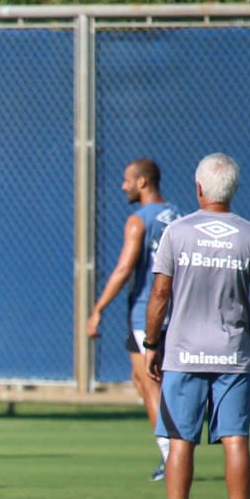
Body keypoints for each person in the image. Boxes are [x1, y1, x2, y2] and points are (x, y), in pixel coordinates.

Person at [143, 152, 250, 499]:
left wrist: (152, 343)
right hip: (233, 355)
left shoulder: (177, 232)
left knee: (181, 440)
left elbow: (160, 294)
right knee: (236, 438)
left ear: (199, 188)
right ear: (233, 189)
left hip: (183, 353)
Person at [87, 159, 178, 480]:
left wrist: (98, 309)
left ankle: (171, 457)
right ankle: (174, 451)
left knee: (151, 384)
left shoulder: (139, 221)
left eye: (127, 181)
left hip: (146, 313)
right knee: (143, 379)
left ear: (142, 182)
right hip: (177, 312)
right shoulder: (179, 217)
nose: (123, 186)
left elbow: (125, 268)